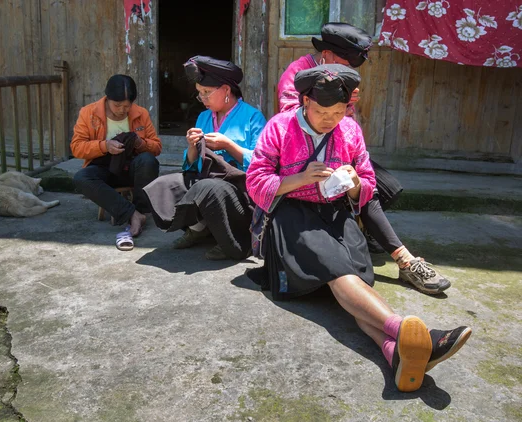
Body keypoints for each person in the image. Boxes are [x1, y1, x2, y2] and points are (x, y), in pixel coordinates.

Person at [246, 64, 471, 392]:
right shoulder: (280, 127)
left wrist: (353, 185)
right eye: (322, 111)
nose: (330, 119)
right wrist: (300, 178)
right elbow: (255, 180)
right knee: (340, 272)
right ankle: (411, 330)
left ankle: (396, 352)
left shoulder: (349, 130)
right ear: (305, 102)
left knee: (354, 281)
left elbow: (367, 184)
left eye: (338, 112)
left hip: (335, 214)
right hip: (293, 216)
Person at [277, 22, 451, 296]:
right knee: (362, 193)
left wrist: (345, 110)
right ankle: (405, 260)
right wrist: (329, 100)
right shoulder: (297, 71)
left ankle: (363, 228)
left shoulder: (343, 75)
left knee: (385, 187)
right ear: (328, 56)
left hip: (338, 148)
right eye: (347, 62)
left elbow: (347, 128)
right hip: (303, 155)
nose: (352, 70)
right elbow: (290, 115)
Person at [143, 56, 267, 260]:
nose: (203, 98)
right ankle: (199, 228)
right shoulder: (203, 117)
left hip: (239, 190)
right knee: (165, 185)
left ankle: (232, 241)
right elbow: (191, 164)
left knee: (208, 187)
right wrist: (192, 147)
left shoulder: (253, 117)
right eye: (200, 93)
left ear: (226, 90)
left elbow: (261, 162)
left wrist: (228, 145)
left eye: (207, 92)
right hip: (206, 180)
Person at [72, 75, 161, 250]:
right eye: (117, 105)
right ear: (107, 98)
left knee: (148, 161)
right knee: (81, 178)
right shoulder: (88, 113)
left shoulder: (140, 113)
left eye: (127, 106)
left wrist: (141, 144)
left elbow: (157, 147)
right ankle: (132, 214)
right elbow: (76, 147)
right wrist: (104, 146)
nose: (122, 110)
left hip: (131, 168)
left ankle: (141, 210)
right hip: (103, 168)